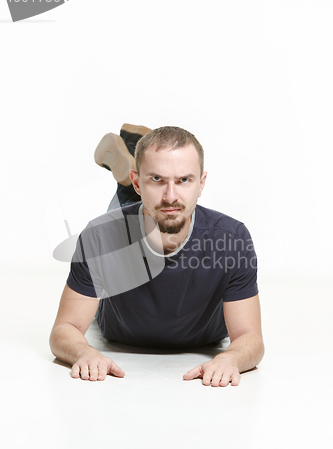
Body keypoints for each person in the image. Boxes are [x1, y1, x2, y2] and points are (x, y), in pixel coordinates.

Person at [49, 124, 264, 387]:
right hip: (119, 326)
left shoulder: (232, 238)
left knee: (158, 208)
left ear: (201, 183)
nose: (171, 195)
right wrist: (85, 352)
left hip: (205, 339)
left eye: (184, 179)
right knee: (130, 214)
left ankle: (137, 150)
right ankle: (133, 168)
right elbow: (64, 329)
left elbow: (250, 338)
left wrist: (231, 359)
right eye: (156, 179)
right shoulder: (99, 236)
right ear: (138, 181)